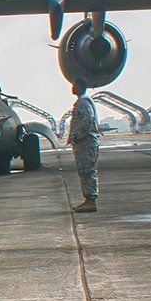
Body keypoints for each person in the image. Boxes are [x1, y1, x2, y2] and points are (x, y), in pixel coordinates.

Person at [68, 80, 100, 212]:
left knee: (87, 171)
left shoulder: (83, 102)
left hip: (85, 142)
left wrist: (76, 135)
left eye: (75, 86)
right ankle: (88, 199)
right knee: (85, 171)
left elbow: (87, 119)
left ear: (81, 87)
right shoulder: (83, 101)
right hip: (85, 142)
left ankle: (90, 200)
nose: (72, 88)